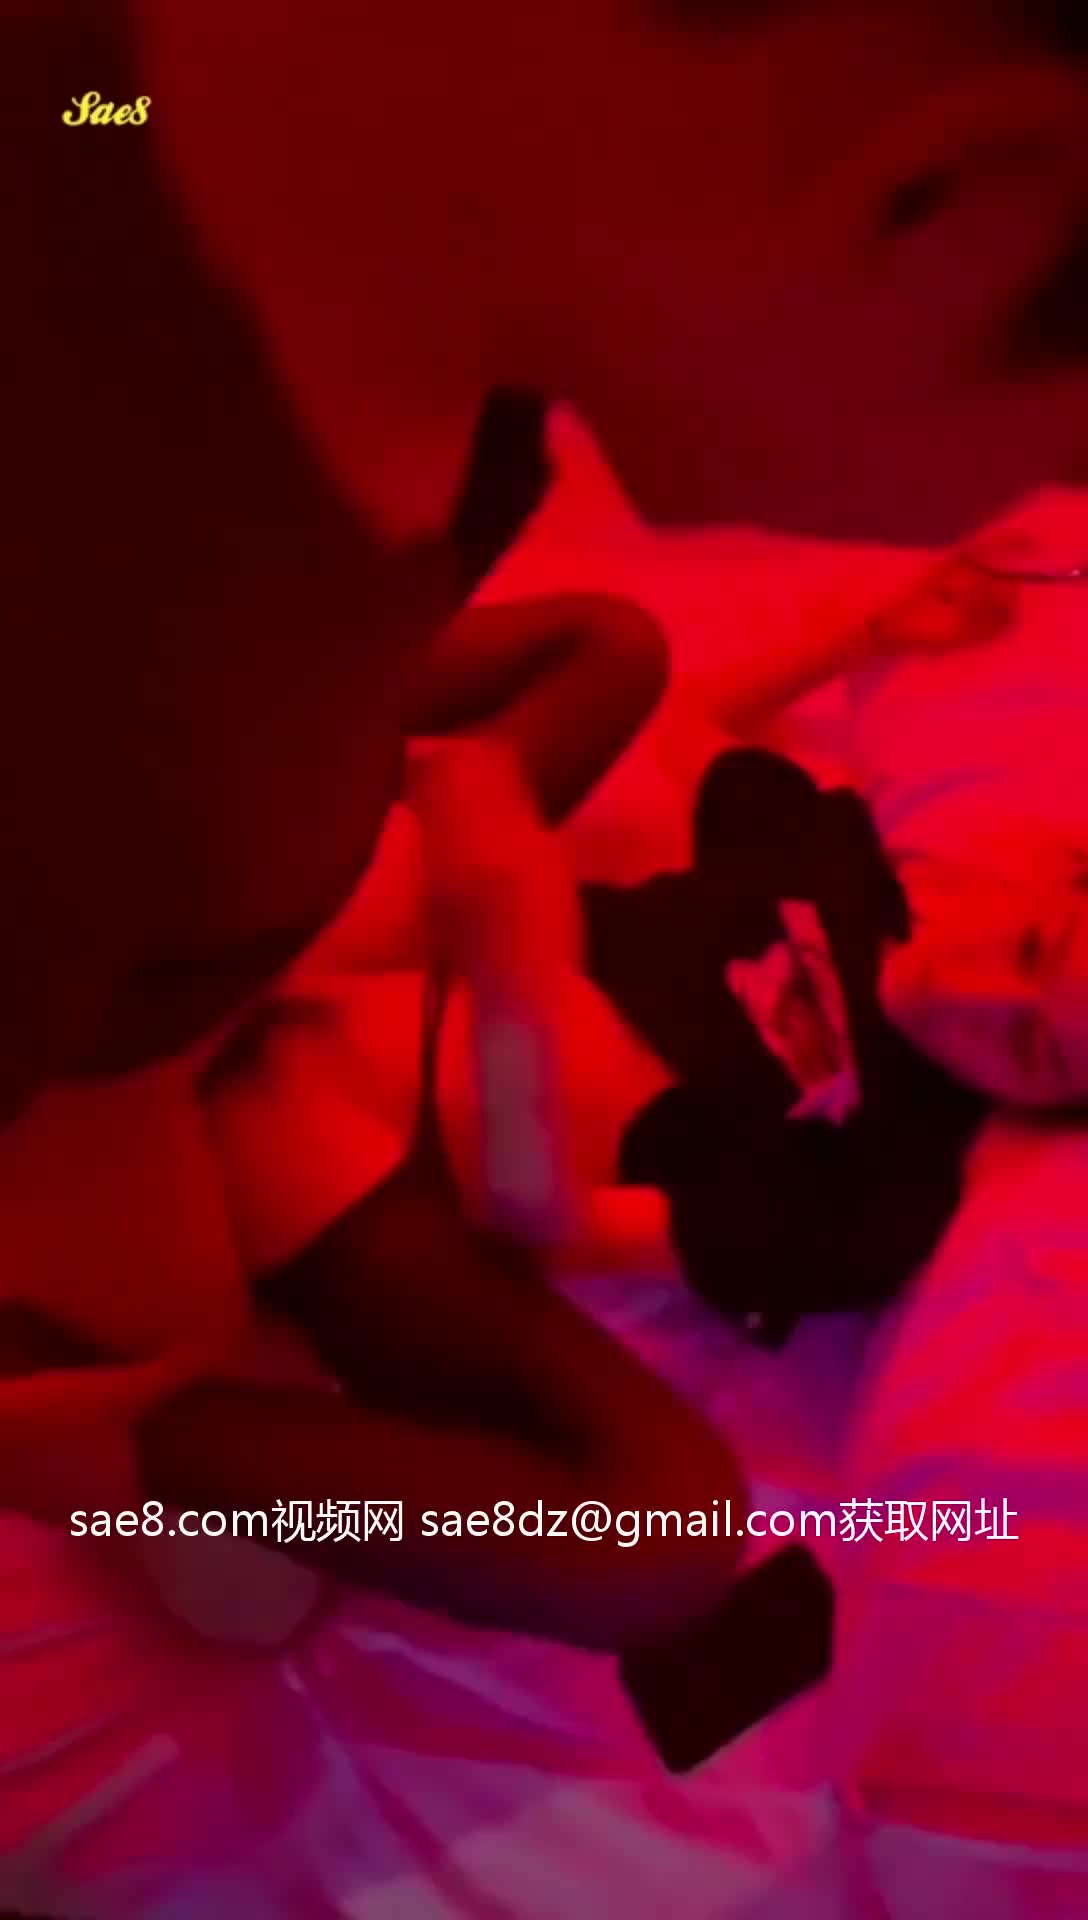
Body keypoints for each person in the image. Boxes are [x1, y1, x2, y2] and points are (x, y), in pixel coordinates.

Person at [5, 0, 1088, 1645]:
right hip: (323, 926)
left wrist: (505, 963)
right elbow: (687, 745)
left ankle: (147, 1454)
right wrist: (857, 637)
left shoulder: (887, 1180)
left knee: (655, 1532)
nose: (990, 994)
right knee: (623, 649)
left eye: (1048, 1049)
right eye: (1045, 942)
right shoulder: (847, 865)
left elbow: (550, 1228)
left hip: (389, 1150)